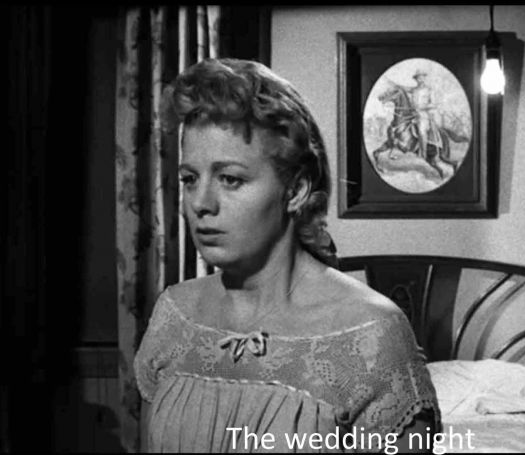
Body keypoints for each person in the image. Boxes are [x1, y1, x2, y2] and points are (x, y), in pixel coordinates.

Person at [134, 58, 440, 452]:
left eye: (230, 179)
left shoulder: (372, 336)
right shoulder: (175, 315)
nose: (200, 203)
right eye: (190, 179)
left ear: (295, 190)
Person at [406, 69, 442, 158]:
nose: (420, 79)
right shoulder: (413, 90)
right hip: (412, 114)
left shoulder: (429, 90)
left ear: (424, 78)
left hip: (423, 115)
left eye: (422, 77)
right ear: (416, 79)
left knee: (421, 131)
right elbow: (403, 88)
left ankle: (423, 154)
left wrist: (422, 107)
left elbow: (434, 104)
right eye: (418, 78)